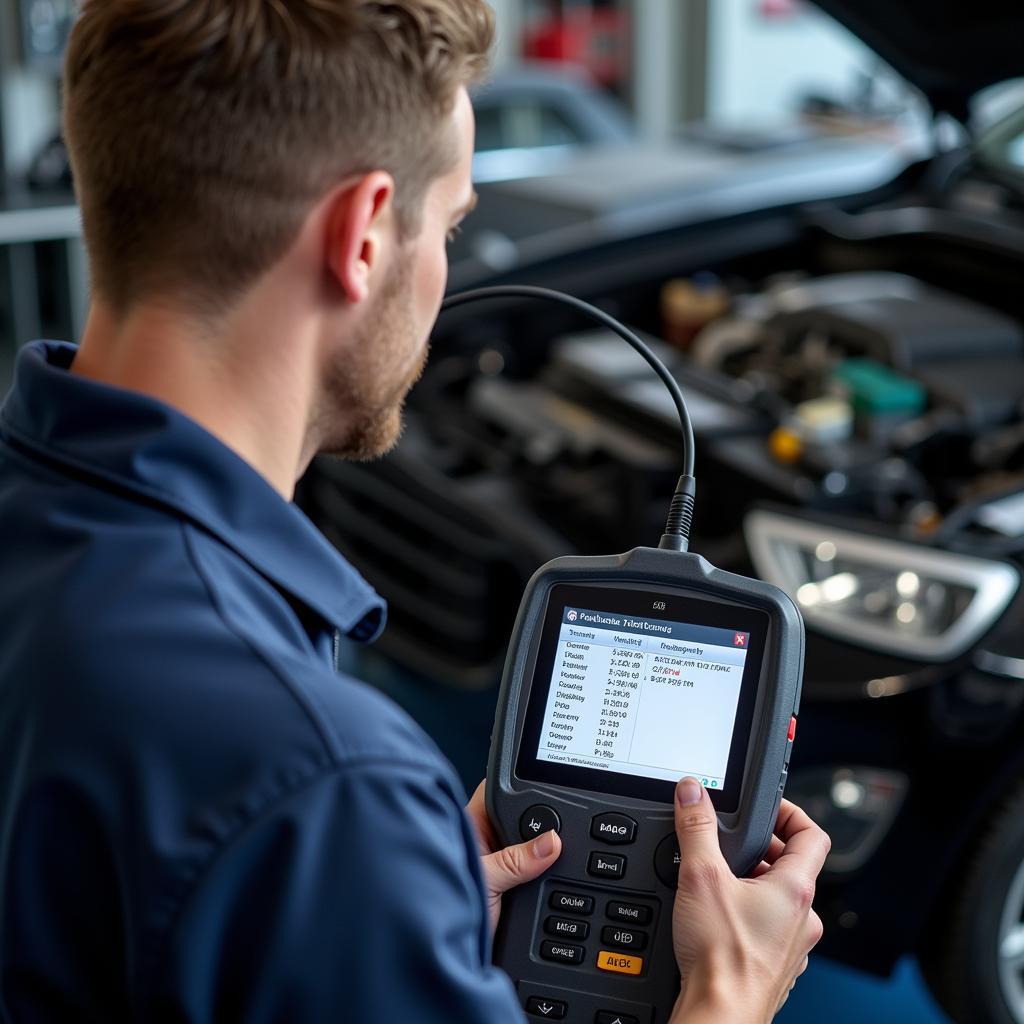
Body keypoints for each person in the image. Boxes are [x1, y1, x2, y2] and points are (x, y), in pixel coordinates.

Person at [0, 2, 829, 1022]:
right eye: (450, 226)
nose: (444, 272)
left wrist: (374, 924)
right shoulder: (323, 783)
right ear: (360, 235)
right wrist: (729, 998)